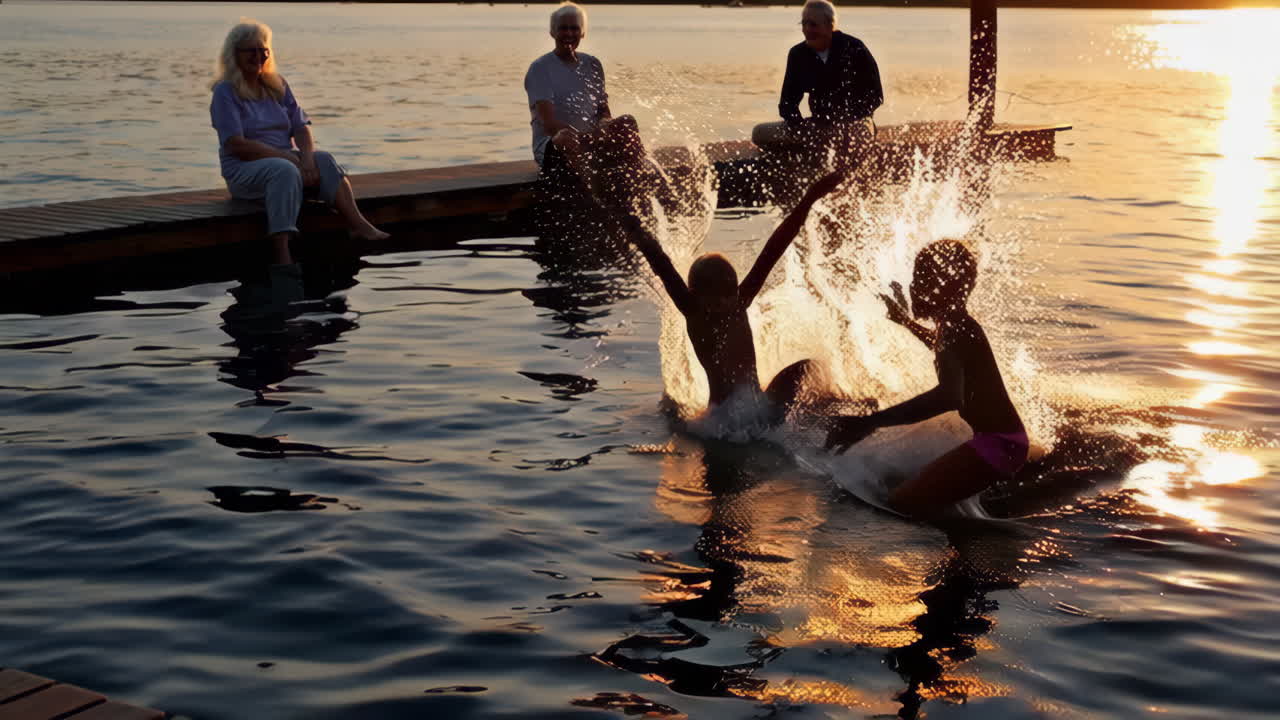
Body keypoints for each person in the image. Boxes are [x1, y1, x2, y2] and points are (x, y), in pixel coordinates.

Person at [824, 240, 1027, 517]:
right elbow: (945, 349)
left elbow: (949, 396)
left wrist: (871, 422)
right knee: (914, 502)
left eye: (918, 279)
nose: (911, 288)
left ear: (938, 286)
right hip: (1003, 444)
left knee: (901, 505)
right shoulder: (955, 324)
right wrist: (905, 322)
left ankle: (977, 552)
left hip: (998, 445)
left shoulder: (954, 328)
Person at [615, 172, 845, 416]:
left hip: (758, 406)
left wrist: (809, 199)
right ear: (698, 295)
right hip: (725, 417)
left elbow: (775, 246)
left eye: (728, 293)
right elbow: (660, 262)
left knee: (809, 367)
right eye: (716, 296)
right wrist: (630, 222)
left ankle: (831, 409)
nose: (724, 302)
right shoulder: (693, 310)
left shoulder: (739, 300)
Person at [210, 19, 388, 266]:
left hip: (286, 163)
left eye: (263, 50)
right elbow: (235, 144)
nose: (258, 56)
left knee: (323, 159)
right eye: (250, 50)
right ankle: (282, 250)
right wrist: (286, 158)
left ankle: (357, 224)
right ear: (234, 55)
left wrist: (305, 159)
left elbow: (301, 127)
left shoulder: (276, 85)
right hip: (244, 170)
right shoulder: (225, 92)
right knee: (282, 169)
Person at [524, 3, 655, 202]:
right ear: (552, 32)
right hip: (555, 147)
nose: (569, 33)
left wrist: (605, 123)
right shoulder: (540, 69)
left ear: (583, 32)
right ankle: (594, 195)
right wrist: (588, 139)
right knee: (566, 137)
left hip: (590, 143)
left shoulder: (593, 64)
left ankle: (641, 184)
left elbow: (603, 110)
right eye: (563, 28)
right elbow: (550, 125)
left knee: (627, 122)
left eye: (574, 28)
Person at [776, 0, 883, 163]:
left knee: (852, 142)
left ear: (830, 25)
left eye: (813, 24)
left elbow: (876, 96)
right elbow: (787, 102)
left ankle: (845, 171)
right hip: (818, 124)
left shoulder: (854, 48)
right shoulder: (798, 54)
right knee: (760, 133)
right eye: (804, 24)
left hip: (858, 122)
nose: (807, 30)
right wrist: (800, 127)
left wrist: (849, 121)